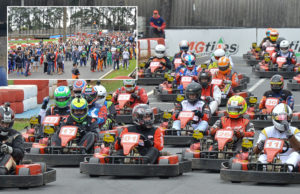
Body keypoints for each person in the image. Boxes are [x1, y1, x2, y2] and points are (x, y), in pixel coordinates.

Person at [253, 103, 300, 172]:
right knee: (263, 156)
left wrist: (289, 134)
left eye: (286, 118)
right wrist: (260, 145)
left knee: (296, 154)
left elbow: (298, 148)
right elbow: (256, 152)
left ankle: (285, 169)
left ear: (290, 118)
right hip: (270, 158)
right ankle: (261, 167)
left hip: (288, 159)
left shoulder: (295, 131)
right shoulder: (266, 131)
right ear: (274, 117)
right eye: (280, 118)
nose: (283, 120)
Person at [0, 103, 24, 175]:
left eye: (7, 123)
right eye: (2, 123)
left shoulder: (16, 135)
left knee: (8, 156)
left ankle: (1, 171)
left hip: (10, 164)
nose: (5, 126)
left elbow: (20, 153)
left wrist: (9, 150)